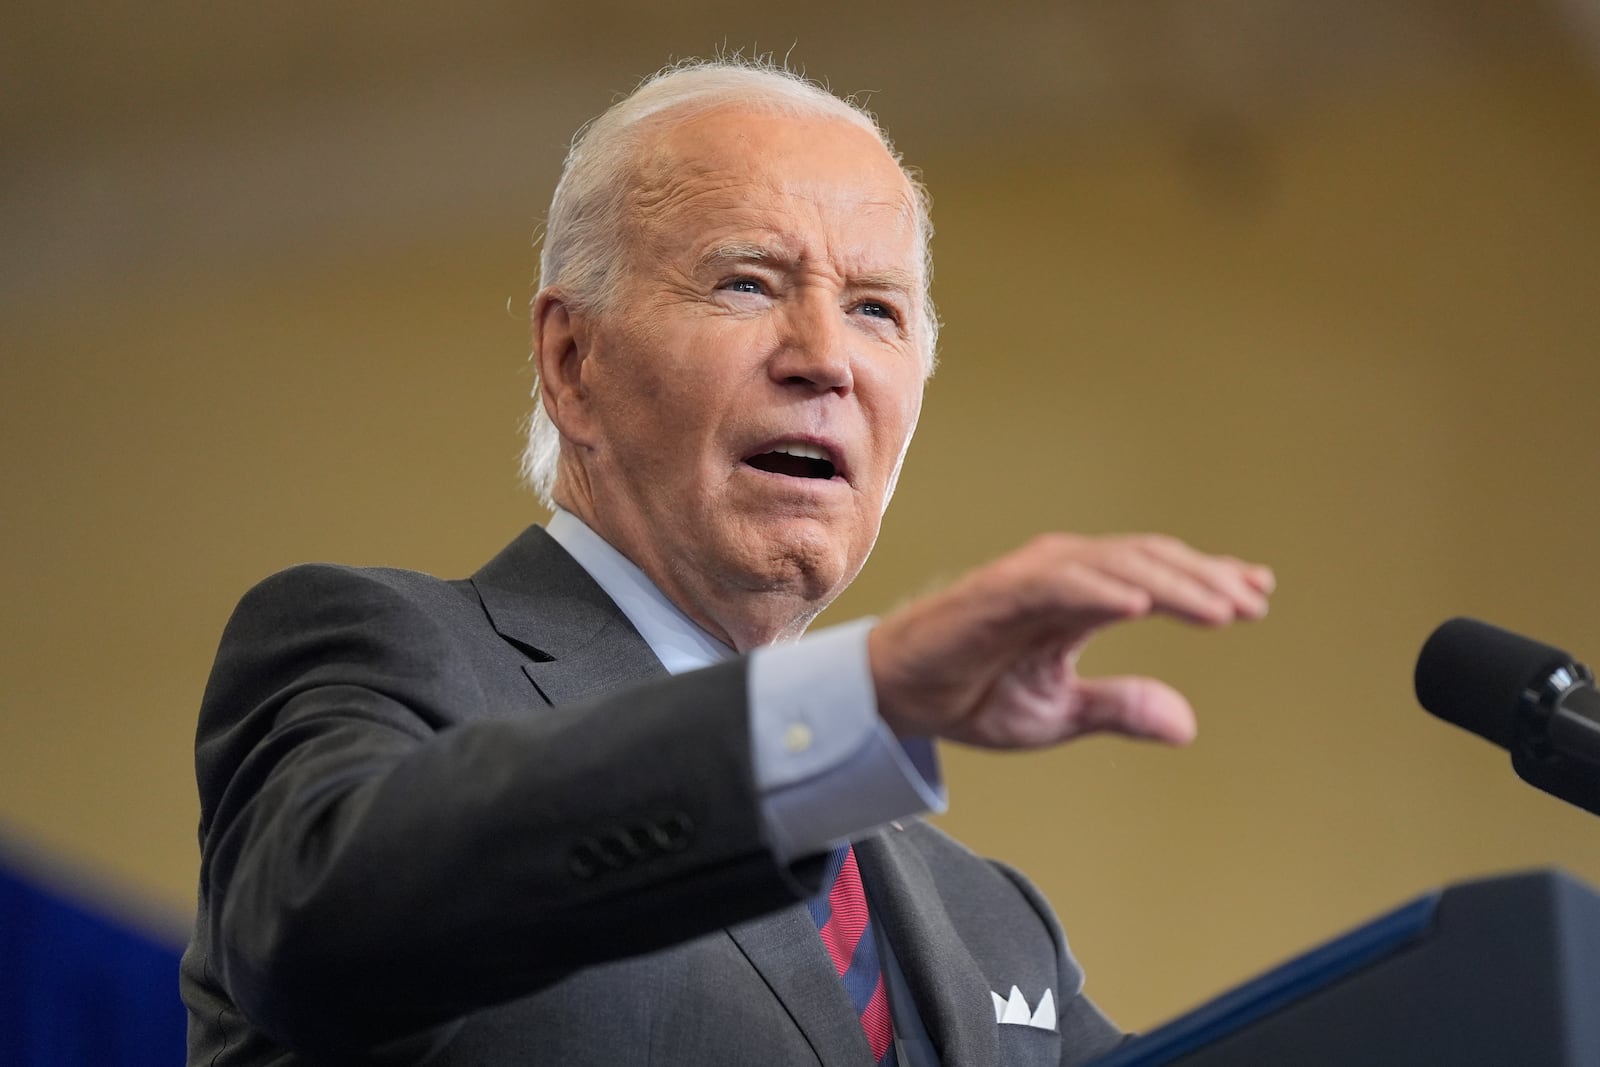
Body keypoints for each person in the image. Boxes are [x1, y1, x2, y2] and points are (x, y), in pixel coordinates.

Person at [180, 58, 1273, 1066]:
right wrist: (857, 695)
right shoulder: (383, 651)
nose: (826, 359)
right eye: (748, 283)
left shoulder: (992, 922)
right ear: (573, 360)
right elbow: (316, 929)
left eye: (875, 309)